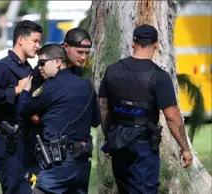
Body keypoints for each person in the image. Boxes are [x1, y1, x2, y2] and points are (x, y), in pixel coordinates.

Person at [98, 24, 193, 194]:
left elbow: (103, 108)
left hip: (118, 143)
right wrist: (185, 148)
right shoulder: (159, 76)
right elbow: (172, 117)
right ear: (156, 44)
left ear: (133, 42)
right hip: (143, 146)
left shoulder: (112, 70)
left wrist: (110, 137)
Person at [18, 44, 101, 194]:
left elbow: (24, 110)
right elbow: (96, 120)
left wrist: (25, 91)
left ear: (57, 62)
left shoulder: (50, 87)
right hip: (81, 164)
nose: (39, 67)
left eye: (42, 62)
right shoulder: (86, 85)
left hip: (58, 163)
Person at [0, 20, 42, 194]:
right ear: (21, 39)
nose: (38, 46)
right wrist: (16, 90)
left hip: (27, 141)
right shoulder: (3, 67)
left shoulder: (28, 68)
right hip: (10, 143)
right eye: (35, 41)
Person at [30, 27, 92, 93]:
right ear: (66, 46)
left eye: (87, 53)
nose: (84, 57)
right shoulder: (47, 65)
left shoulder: (76, 65)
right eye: (79, 52)